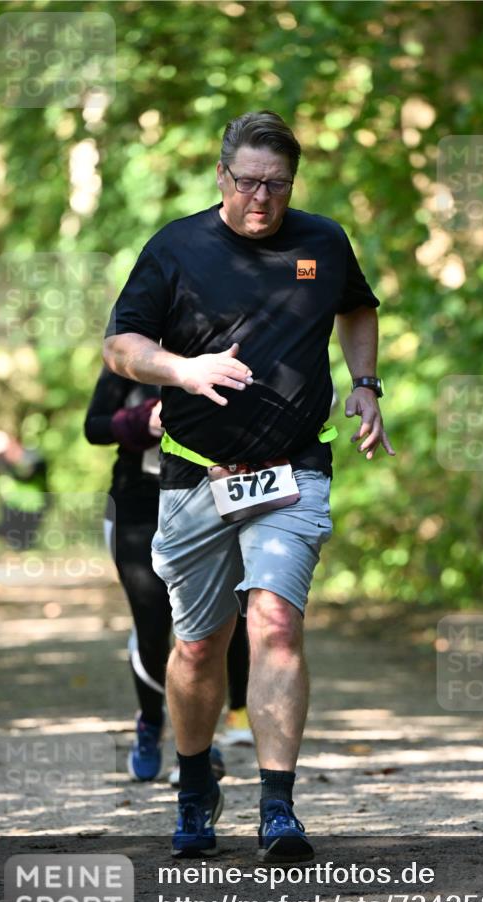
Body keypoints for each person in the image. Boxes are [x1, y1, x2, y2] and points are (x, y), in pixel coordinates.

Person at [103, 110, 393, 861]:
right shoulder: (176, 245)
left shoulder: (321, 240)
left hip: (293, 470)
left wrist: (365, 383)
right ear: (221, 175)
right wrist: (183, 369)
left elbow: (356, 305)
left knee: (275, 624)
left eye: (277, 184)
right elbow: (120, 345)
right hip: (195, 478)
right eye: (248, 182)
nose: (262, 198)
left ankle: (277, 807)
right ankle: (195, 782)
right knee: (198, 647)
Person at [83, 367, 251, 782]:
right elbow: (94, 426)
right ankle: (151, 723)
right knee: (152, 622)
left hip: (212, 499)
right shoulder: (130, 358)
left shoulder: (229, 354)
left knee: (207, 627)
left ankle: (195, 749)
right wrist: (144, 420)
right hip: (138, 505)